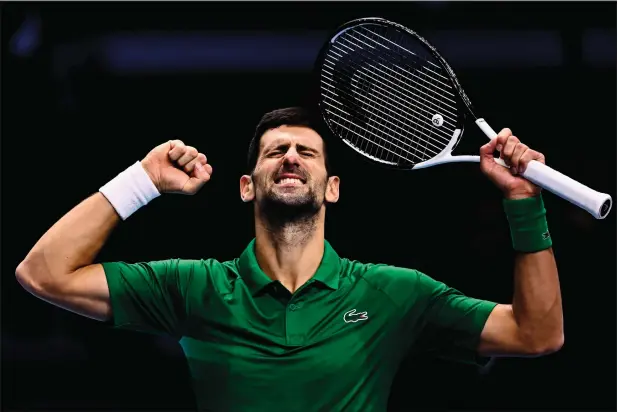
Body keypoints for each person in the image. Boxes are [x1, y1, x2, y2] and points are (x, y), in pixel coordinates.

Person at [16, 107, 563, 411]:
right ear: (247, 187)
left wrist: (523, 202)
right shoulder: (196, 288)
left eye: (307, 151)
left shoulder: (392, 294)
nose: (292, 157)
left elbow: (537, 334)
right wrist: (142, 181)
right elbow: (43, 272)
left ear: (333, 189)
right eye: (276, 151)